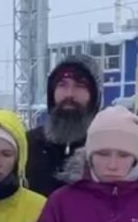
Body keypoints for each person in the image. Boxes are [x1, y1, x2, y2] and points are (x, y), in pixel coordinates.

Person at [25, 55, 102, 198]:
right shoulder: (27, 145)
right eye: (62, 85)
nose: (69, 94)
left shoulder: (107, 149)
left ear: (95, 97)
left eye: (80, 86)